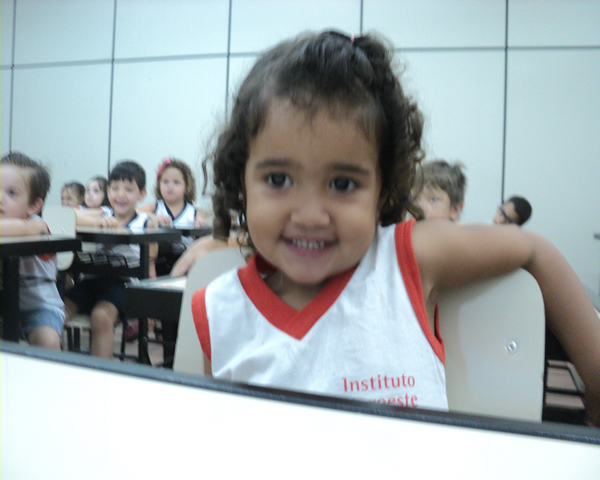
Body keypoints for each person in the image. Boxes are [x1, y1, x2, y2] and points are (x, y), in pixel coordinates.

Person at [183, 31, 598, 426]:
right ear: (241, 180)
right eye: (278, 180)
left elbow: (532, 249)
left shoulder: (409, 258)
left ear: (383, 190)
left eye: (342, 184)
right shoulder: (219, 311)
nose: (309, 215)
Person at [64, 160, 157, 358]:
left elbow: (150, 265)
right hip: (91, 281)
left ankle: (100, 371)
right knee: (57, 310)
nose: (120, 195)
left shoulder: (145, 222)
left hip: (124, 285)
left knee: (101, 316)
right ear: (108, 191)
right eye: (115, 188)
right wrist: (96, 222)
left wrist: (150, 306)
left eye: (128, 190)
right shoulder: (102, 213)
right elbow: (70, 214)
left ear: (141, 194)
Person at [0, 152, 65, 349]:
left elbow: (22, 229)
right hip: (4, 302)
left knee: (47, 341)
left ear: (33, 206)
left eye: (11, 193)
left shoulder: (36, 225)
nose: (0, 198)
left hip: (39, 306)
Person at [138, 156, 207, 276]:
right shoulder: (155, 207)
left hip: (185, 259)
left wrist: (200, 222)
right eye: (165, 182)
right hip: (159, 259)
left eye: (176, 182)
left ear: (187, 187)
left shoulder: (193, 212)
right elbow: (134, 212)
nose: (170, 186)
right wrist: (154, 217)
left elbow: (203, 231)